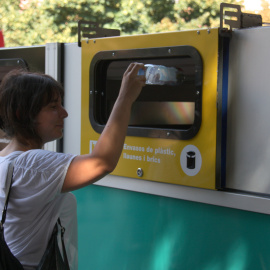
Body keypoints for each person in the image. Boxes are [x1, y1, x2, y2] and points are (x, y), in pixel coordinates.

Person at [0, 62, 146, 270]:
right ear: (22, 114)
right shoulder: (31, 164)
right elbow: (102, 162)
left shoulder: (6, 158)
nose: (64, 113)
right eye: (53, 107)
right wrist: (126, 96)